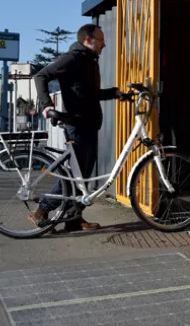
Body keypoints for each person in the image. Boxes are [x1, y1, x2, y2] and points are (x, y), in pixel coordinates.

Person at [30, 23, 122, 231]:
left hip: (89, 125)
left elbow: (91, 94)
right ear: (88, 40)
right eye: (101, 40)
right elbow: (41, 76)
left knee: (84, 177)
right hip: (76, 125)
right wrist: (46, 105)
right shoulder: (72, 58)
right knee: (74, 176)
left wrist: (114, 93)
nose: (104, 45)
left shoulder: (90, 61)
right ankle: (41, 211)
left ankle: (73, 219)